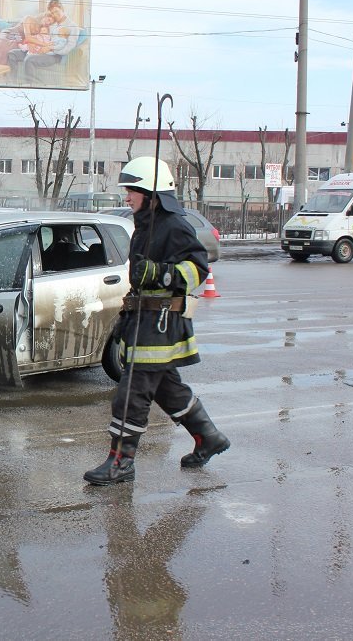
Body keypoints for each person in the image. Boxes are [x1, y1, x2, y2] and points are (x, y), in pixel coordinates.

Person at [83, 156, 230, 485]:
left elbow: (198, 267)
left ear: (151, 193)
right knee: (166, 388)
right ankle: (209, 438)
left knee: (132, 391)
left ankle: (121, 462)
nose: (127, 196)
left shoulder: (174, 225)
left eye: (133, 190)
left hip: (159, 323)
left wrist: (162, 274)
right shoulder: (146, 225)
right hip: (141, 319)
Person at [7, 0, 79, 82]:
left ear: (62, 9)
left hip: (54, 55)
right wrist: (31, 43)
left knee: (29, 59)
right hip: (39, 50)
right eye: (52, 13)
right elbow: (36, 28)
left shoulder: (73, 27)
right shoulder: (51, 22)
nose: (55, 15)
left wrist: (50, 48)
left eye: (57, 11)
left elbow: (68, 48)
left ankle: (30, 88)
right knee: (12, 54)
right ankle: (12, 83)